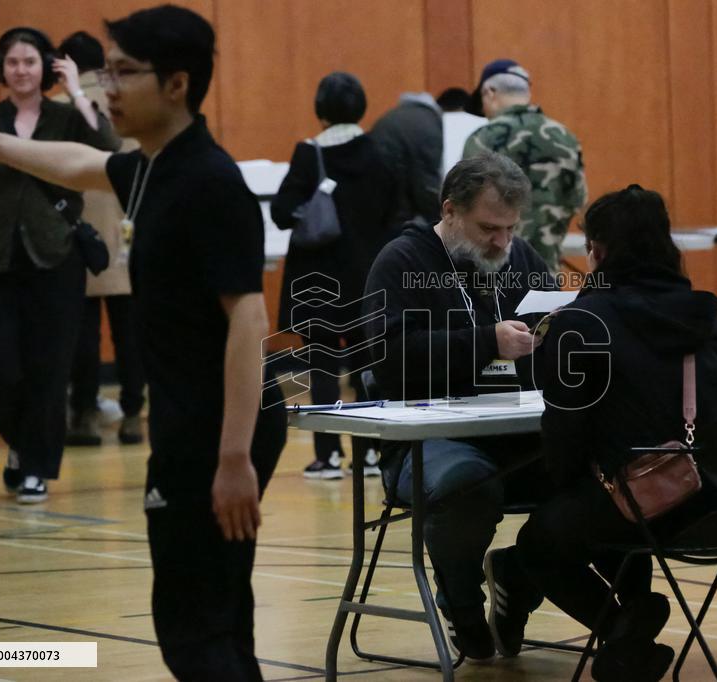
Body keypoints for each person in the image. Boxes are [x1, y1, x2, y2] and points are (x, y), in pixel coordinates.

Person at [0, 6, 287, 679]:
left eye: (124, 72)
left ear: (177, 84)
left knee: (199, 623)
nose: (109, 89)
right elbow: (80, 162)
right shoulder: (155, 168)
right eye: (108, 72)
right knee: (202, 615)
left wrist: (233, 459)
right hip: (192, 424)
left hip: (221, 430)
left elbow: (250, 322)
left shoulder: (210, 184)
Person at [482, 185, 717, 681]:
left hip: (634, 503)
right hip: (708, 503)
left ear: (597, 251)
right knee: (604, 505)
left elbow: (565, 440)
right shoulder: (703, 314)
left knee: (543, 536)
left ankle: (625, 626)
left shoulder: (580, 324)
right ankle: (631, 617)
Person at [362, 152, 555, 661]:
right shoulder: (402, 262)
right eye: (490, 227)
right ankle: (464, 605)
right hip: (425, 444)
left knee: (602, 475)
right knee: (467, 486)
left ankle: (520, 576)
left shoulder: (521, 259)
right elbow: (391, 360)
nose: (502, 243)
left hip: (518, 435)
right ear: (450, 211)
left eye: (511, 229)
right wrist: (486, 341)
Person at [0, 26, 119, 503]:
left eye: (30, 61)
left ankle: (36, 465)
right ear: (2, 68)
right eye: (12, 62)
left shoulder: (66, 119)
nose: (21, 70)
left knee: (49, 368)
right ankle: (21, 444)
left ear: (48, 68)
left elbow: (109, 145)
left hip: (55, 258)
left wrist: (78, 89)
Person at [272, 72, 394, 480]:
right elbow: (393, 214)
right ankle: (373, 453)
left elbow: (281, 212)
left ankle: (329, 456)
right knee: (367, 365)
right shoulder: (379, 152)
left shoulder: (309, 155)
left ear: (320, 110)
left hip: (317, 279)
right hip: (367, 277)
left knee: (322, 364)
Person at [54, 30, 146, 446]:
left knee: (82, 336)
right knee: (130, 335)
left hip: (77, 237)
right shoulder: (126, 105)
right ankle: (132, 415)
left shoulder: (57, 110)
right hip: (126, 236)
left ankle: (86, 414)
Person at [463, 59, 587, 272]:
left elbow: (465, 204)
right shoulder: (565, 137)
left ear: (490, 92)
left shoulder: (483, 138)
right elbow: (578, 199)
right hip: (547, 273)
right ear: (527, 93)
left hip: (496, 276)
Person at [370, 91, 443, 227]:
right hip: (397, 211)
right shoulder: (429, 123)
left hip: (378, 204)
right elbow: (426, 183)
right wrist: (440, 222)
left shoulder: (395, 116)